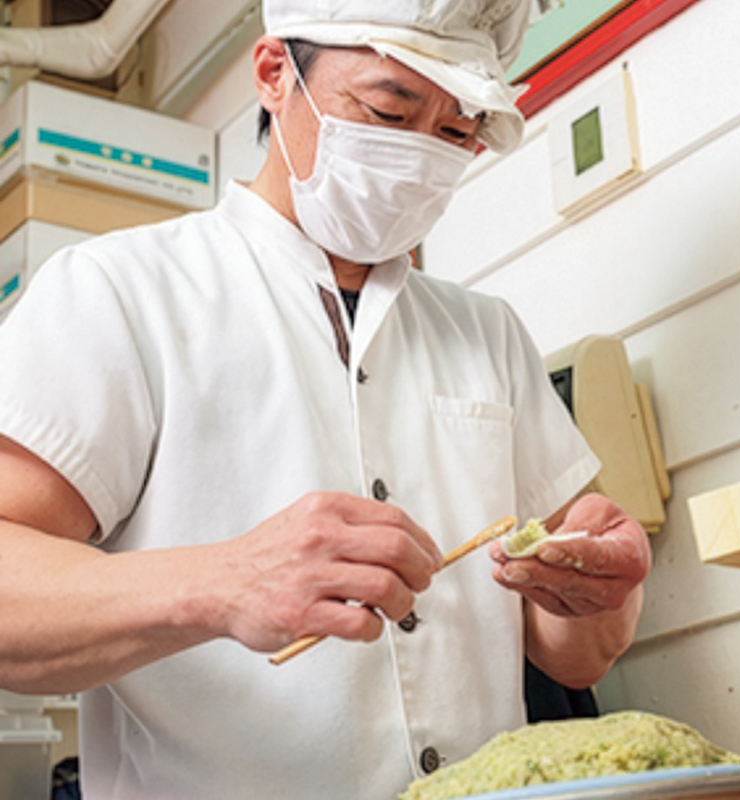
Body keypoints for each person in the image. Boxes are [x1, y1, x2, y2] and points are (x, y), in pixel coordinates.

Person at [0, 1, 651, 798]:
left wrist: (600, 596)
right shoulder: (121, 293)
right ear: (276, 74)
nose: (417, 156)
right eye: (388, 112)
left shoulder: (488, 334)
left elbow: (574, 656)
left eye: (456, 132)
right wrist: (224, 580)